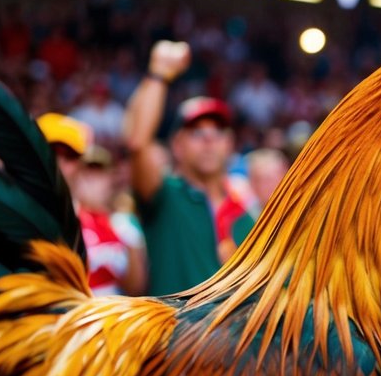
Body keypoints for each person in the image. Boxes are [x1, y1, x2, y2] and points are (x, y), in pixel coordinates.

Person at [123, 40, 246, 295]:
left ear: (230, 144)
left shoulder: (248, 218)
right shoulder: (165, 196)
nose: (209, 139)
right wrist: (158, 74)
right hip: (170, 334)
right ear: (177, 145)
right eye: (197, 131)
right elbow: (138, 143)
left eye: (218, 131)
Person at [37, 113, 147, 296]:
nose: (60, 164)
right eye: (51, 153)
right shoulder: (13, 209)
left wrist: (131, 243)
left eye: (69, 157)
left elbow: (135, 289)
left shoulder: (110, 224)